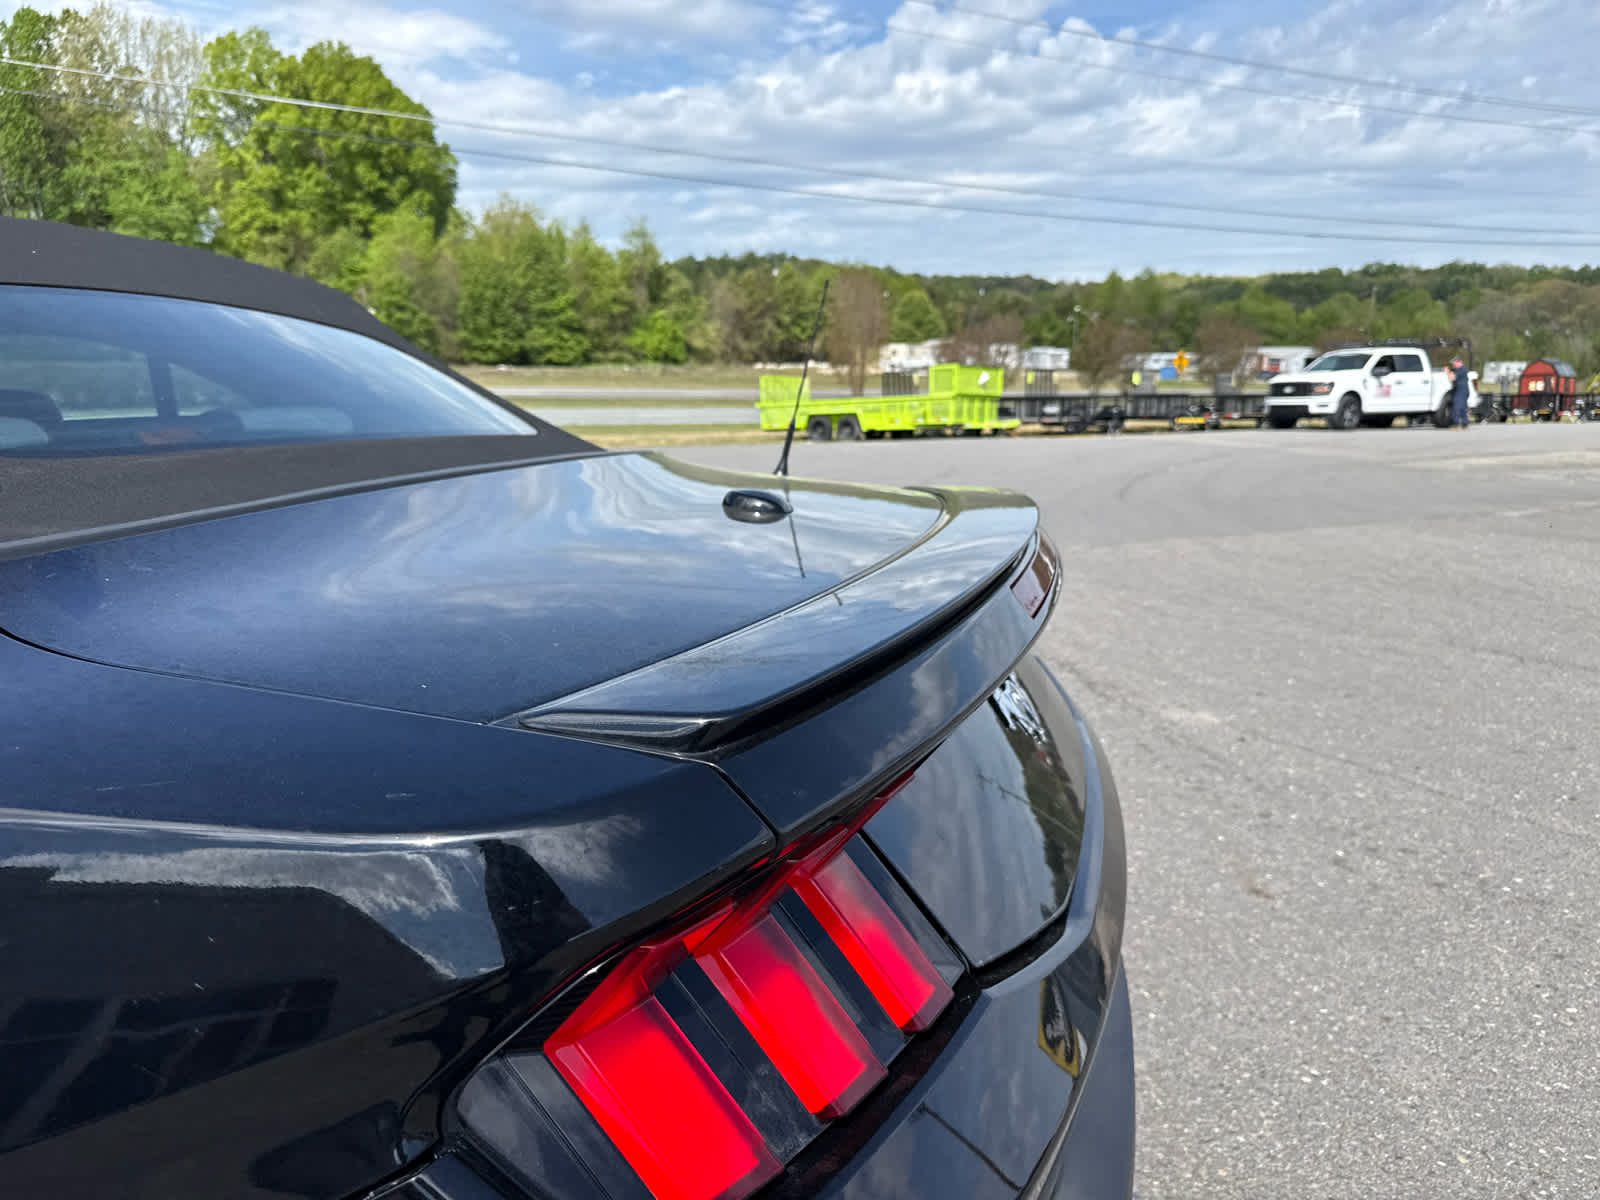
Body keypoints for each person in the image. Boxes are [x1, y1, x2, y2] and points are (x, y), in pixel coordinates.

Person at [1446, 357, 1471, 429]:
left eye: (1453, 363)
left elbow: (1452, 377)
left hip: (1461, 391)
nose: (1453, 365)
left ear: (1458, 362)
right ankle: (1464, 424)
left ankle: (1456, 424)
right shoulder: (1461, 369)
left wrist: (1448, 372)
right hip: (1462, 391)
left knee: (1457, 407)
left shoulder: (1461, 369)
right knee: (1463, 408)